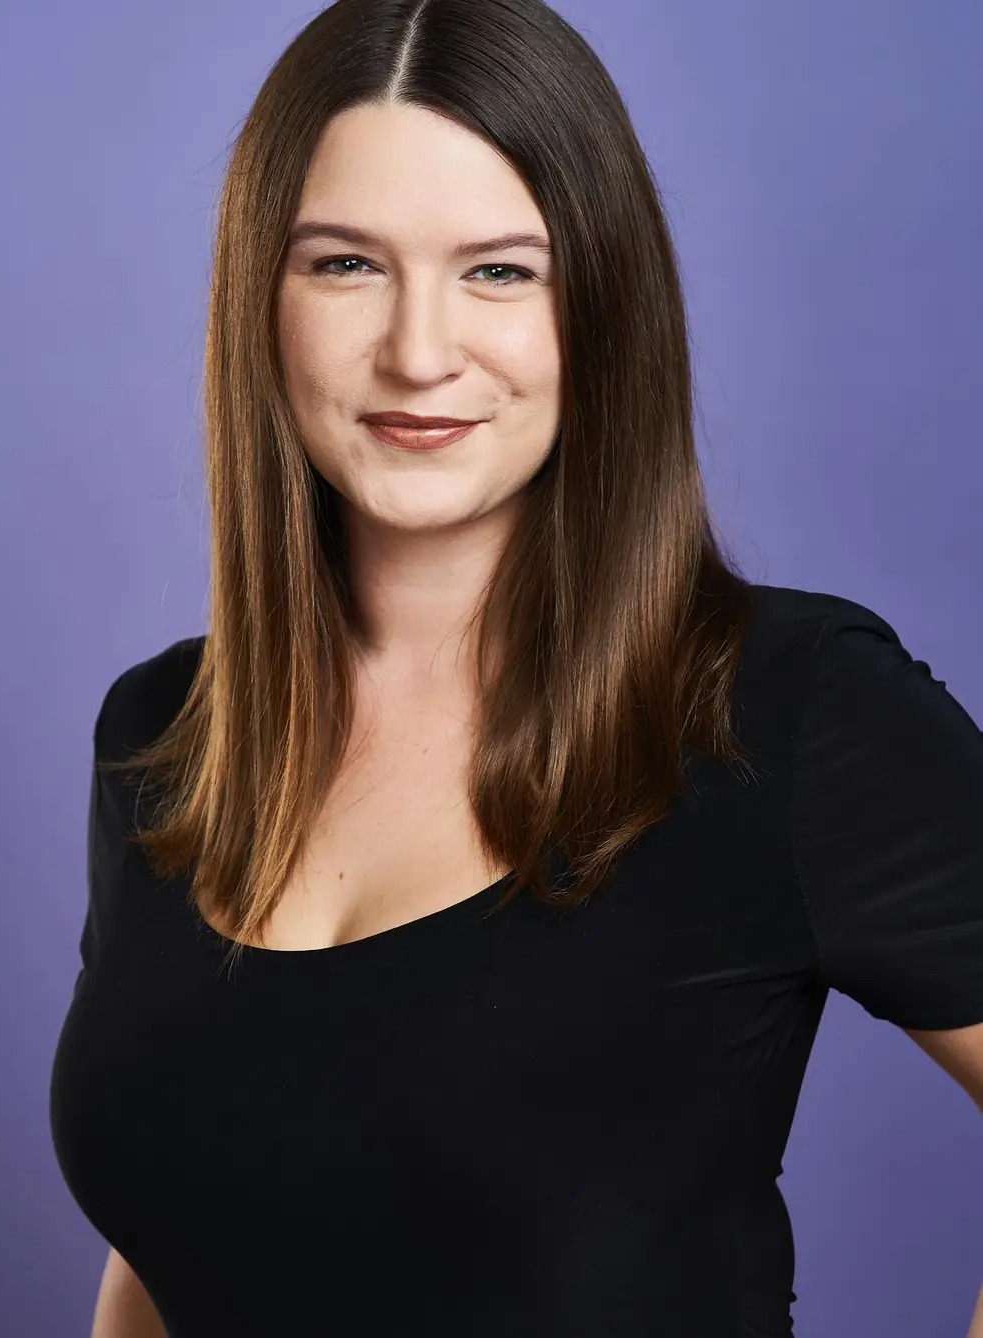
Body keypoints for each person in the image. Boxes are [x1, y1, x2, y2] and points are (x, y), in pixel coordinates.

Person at [48, 1, 983, 1334]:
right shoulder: (166, 735)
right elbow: (175, 1233)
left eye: (498, 271)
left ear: (600, 307)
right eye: (345, 265)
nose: (419, 351)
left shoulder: (789, 707)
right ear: (259, 298)